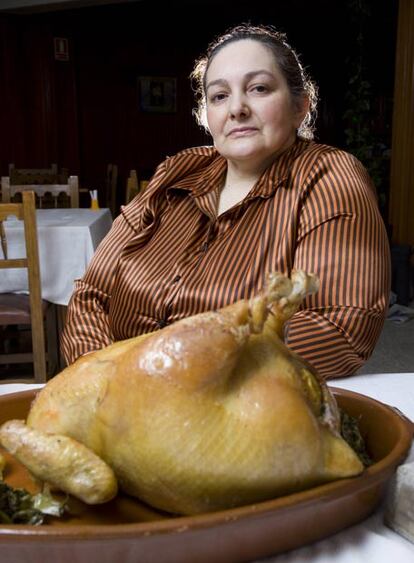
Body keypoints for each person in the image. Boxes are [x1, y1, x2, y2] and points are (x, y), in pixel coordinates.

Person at [61, 24, 390, 378]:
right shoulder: (176, 171)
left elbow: (340, 326)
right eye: (219, 96)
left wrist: (165, 377)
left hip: (237, 415)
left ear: (300, 105)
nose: (236, 109)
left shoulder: (329, 175)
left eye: (259, 88)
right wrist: (99, 381)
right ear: (207, 116)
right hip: (116, 401)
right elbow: (92, 293)